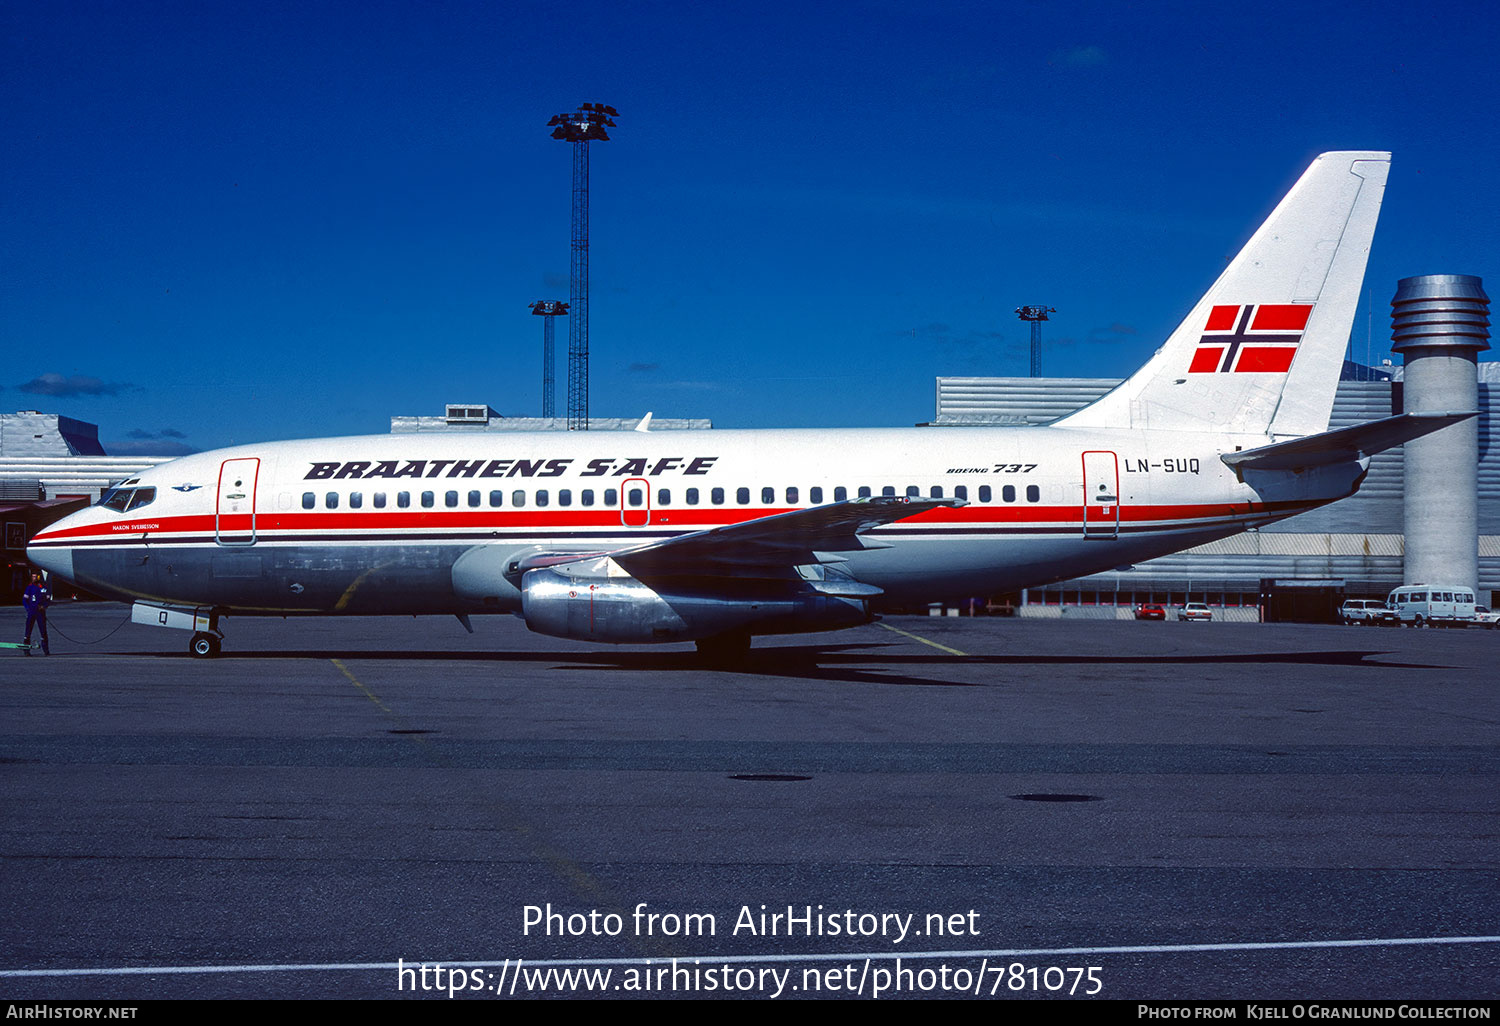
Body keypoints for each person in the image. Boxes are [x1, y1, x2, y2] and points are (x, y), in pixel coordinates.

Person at [22, 571, 50, 656]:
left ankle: (46, 650)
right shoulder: (29, 588)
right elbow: (24, 600)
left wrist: (44, 606)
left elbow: (48, 600)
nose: (33, 578)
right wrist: (27, 608)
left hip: (40, 613)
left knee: (43, 631)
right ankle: (26, 650)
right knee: (28, 631)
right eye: (32, 576)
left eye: (35, 576)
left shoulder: (44, 588)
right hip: (31, 612)